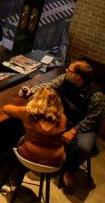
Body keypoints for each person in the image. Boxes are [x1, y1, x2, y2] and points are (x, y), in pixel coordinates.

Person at [26, 60, 104, 188]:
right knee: (41, 124)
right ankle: (49, 159)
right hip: (64, 118)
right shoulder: (66, 78)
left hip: (84, 126)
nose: (66, 71)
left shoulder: (97, 95)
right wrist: (31, 90)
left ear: (77, 76)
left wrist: (73, 131)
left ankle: (70, 169)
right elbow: (49, 86)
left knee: (83, 147)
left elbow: (93, 119)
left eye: (69, 70)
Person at [3, 87, 66, 167]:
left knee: (20, 136)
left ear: (36, 100)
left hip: (28, 157)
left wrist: (29, 104)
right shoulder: (63, 118)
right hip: (54, 162)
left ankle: (17, 171)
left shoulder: (27, 113)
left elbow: (6, 108)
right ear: (57, 101)